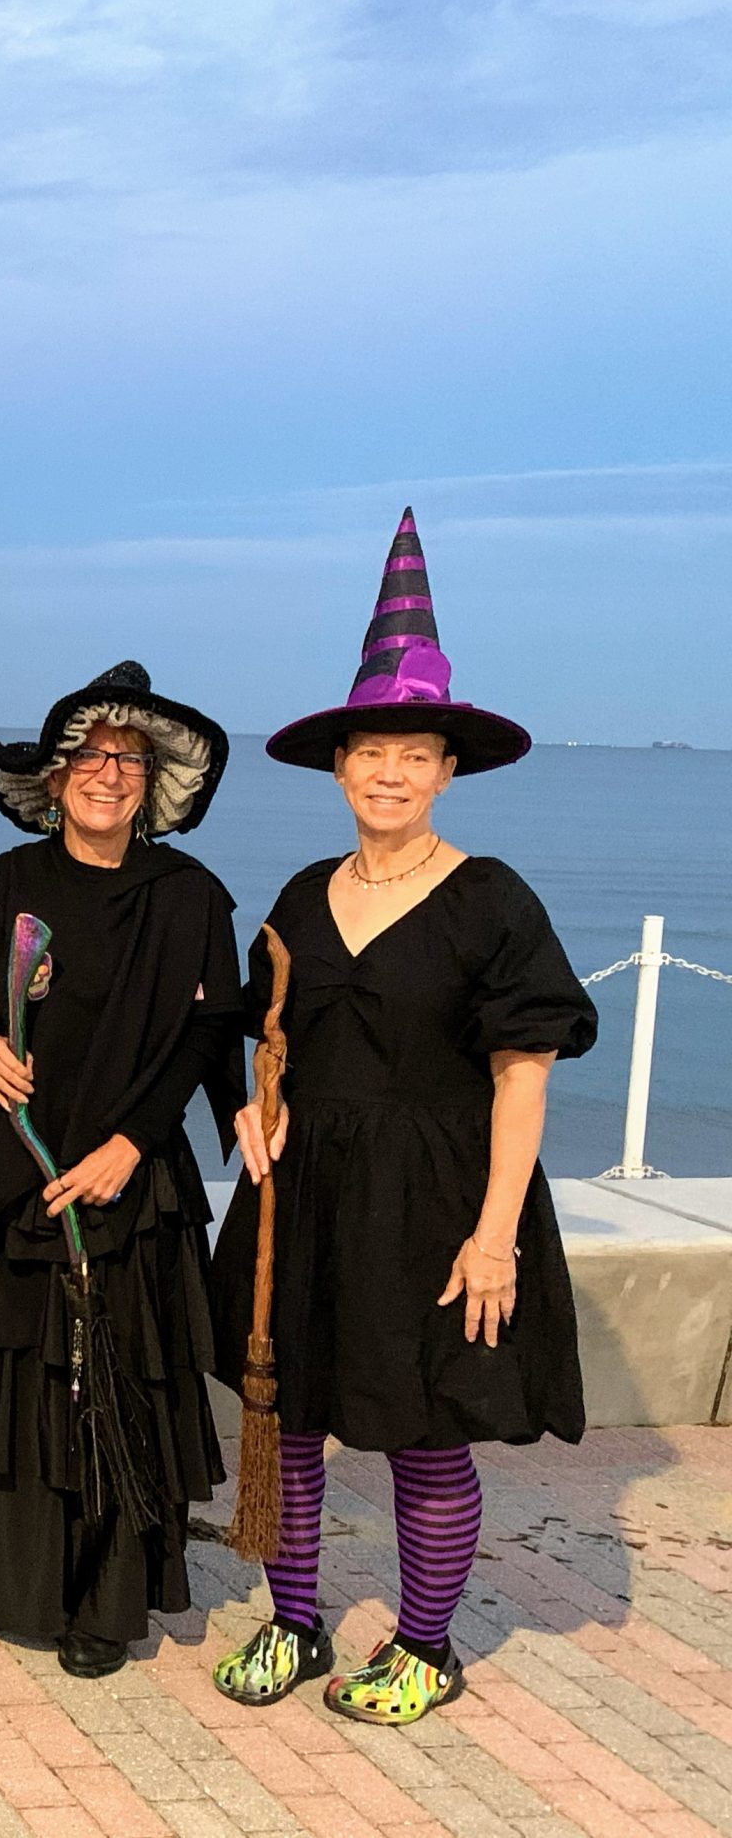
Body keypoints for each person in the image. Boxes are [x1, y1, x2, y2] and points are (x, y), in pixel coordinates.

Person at [208, 509, 596, 1724]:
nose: (388, 771)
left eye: (413, 753)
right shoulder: (297, 894)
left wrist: (495, 1237)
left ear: (444, 771)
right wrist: (253, 1116)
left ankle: (425, 1645)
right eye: (369, 750)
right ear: (338, 767)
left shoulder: (490, 899)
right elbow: (268, 1037)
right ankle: (293, 1622)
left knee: (426, 1434)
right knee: (290, 1421)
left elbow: (522, 1074)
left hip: (436, 1200)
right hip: (306, 1193)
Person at [0, 660, 240, 1679]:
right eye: (90, 757)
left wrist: (130, 1144)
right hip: (18, 1163)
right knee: (10, 1374)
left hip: (127, 1174)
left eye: (129, 761)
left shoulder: (190, 897)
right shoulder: (4, 885)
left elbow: (207, 1038)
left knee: (116, 1381)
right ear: (54, 778)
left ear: (152, 786)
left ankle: (102, 1601)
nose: (109, 773)